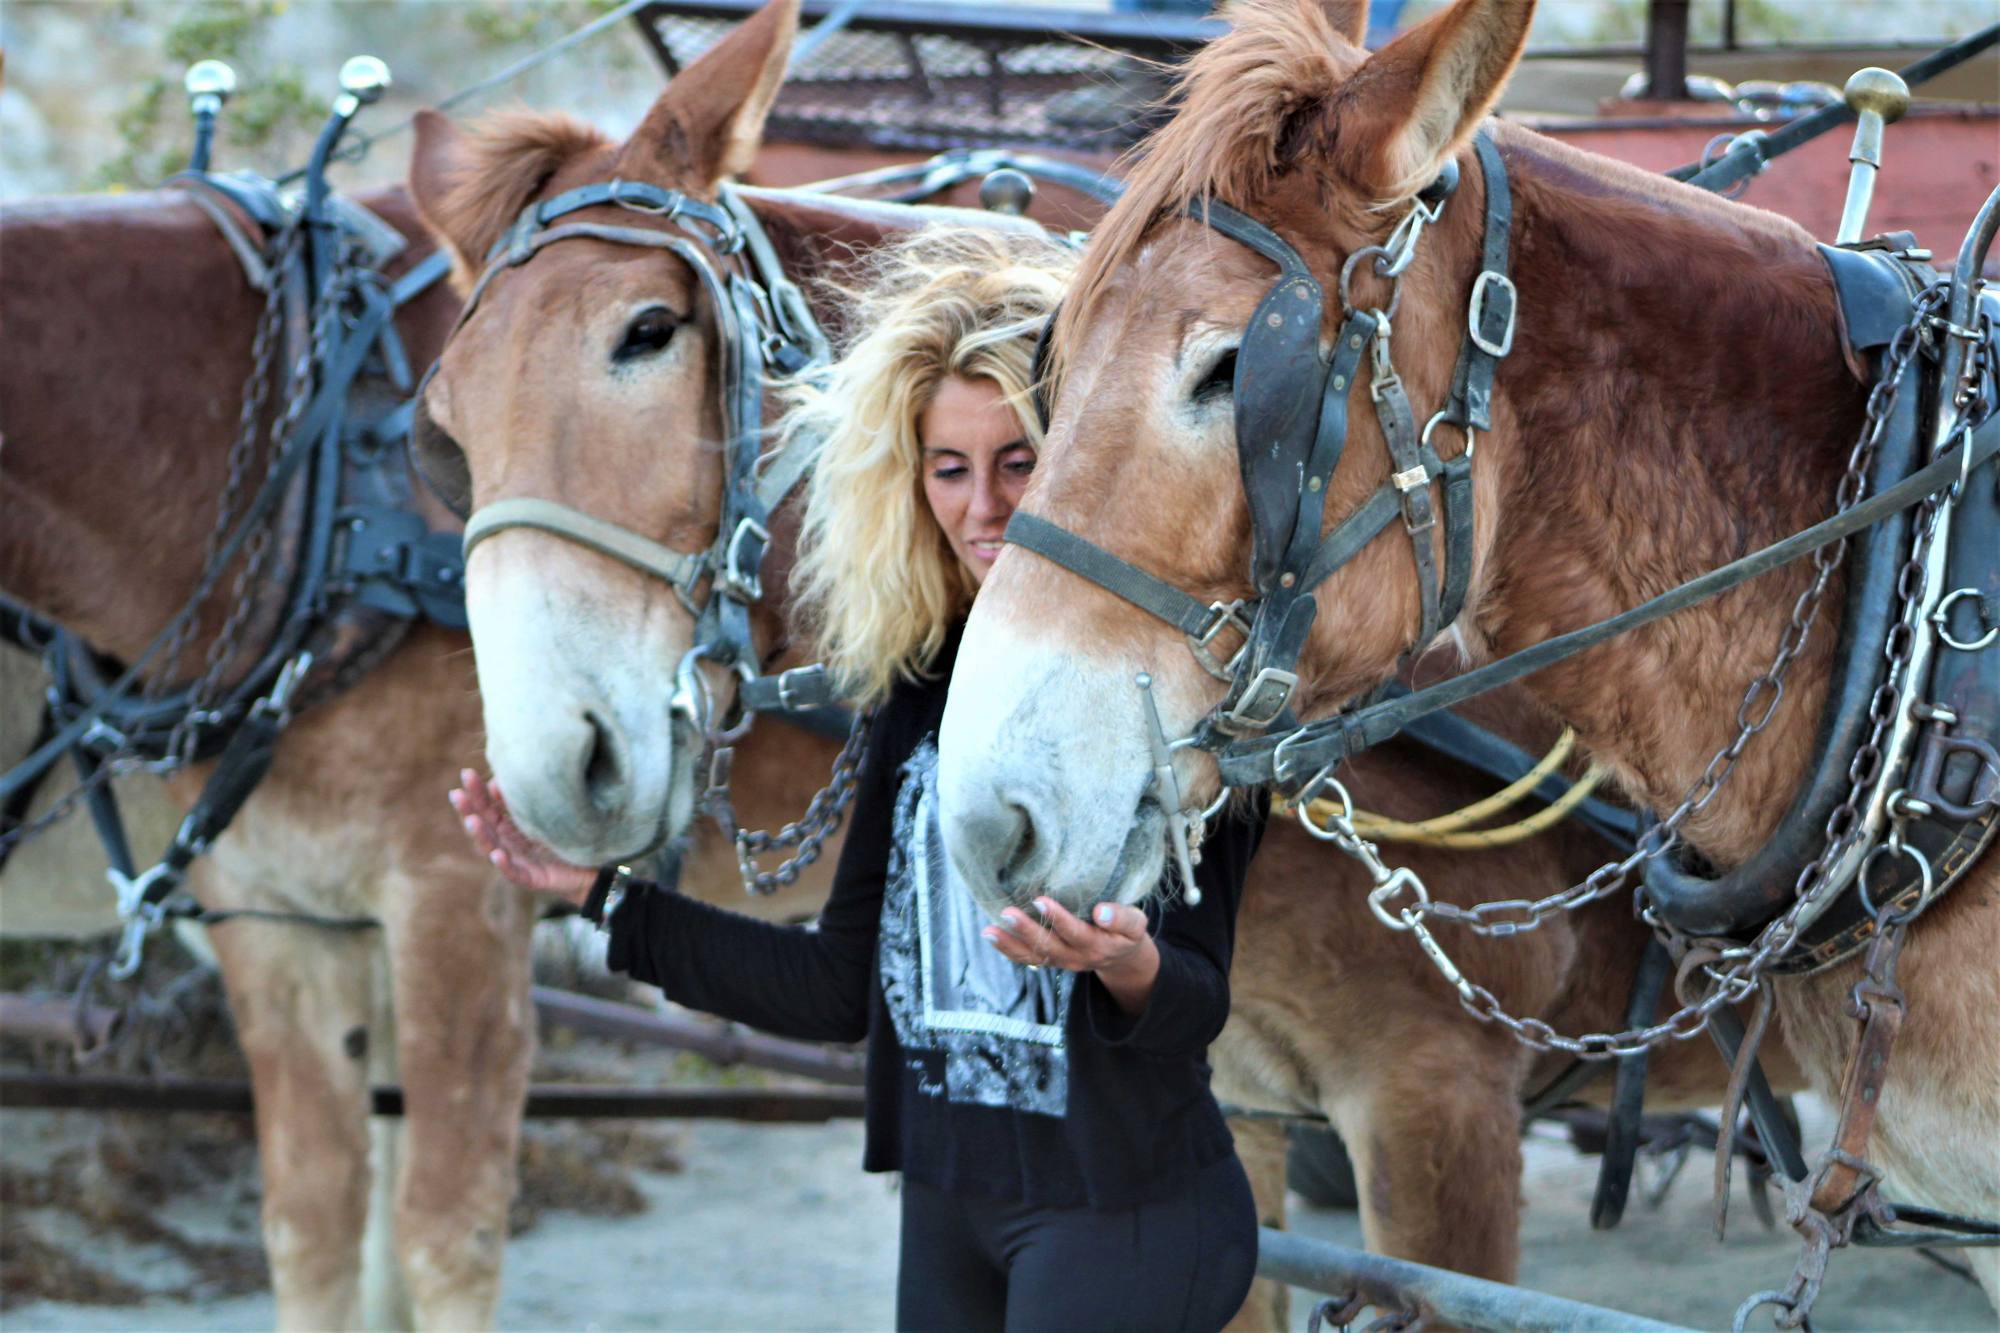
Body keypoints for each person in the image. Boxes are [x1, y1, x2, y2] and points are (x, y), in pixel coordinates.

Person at [450, 227, 1264, 1332]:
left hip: (1123, 1213)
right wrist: (596, 897)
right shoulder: (921, 688)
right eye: (947, 467)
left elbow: (1193, 1008)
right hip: (946, 1207)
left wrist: (1128, 966)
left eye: (1016, 458)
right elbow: (840, 988)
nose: (981, 505)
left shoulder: (1153, 685)